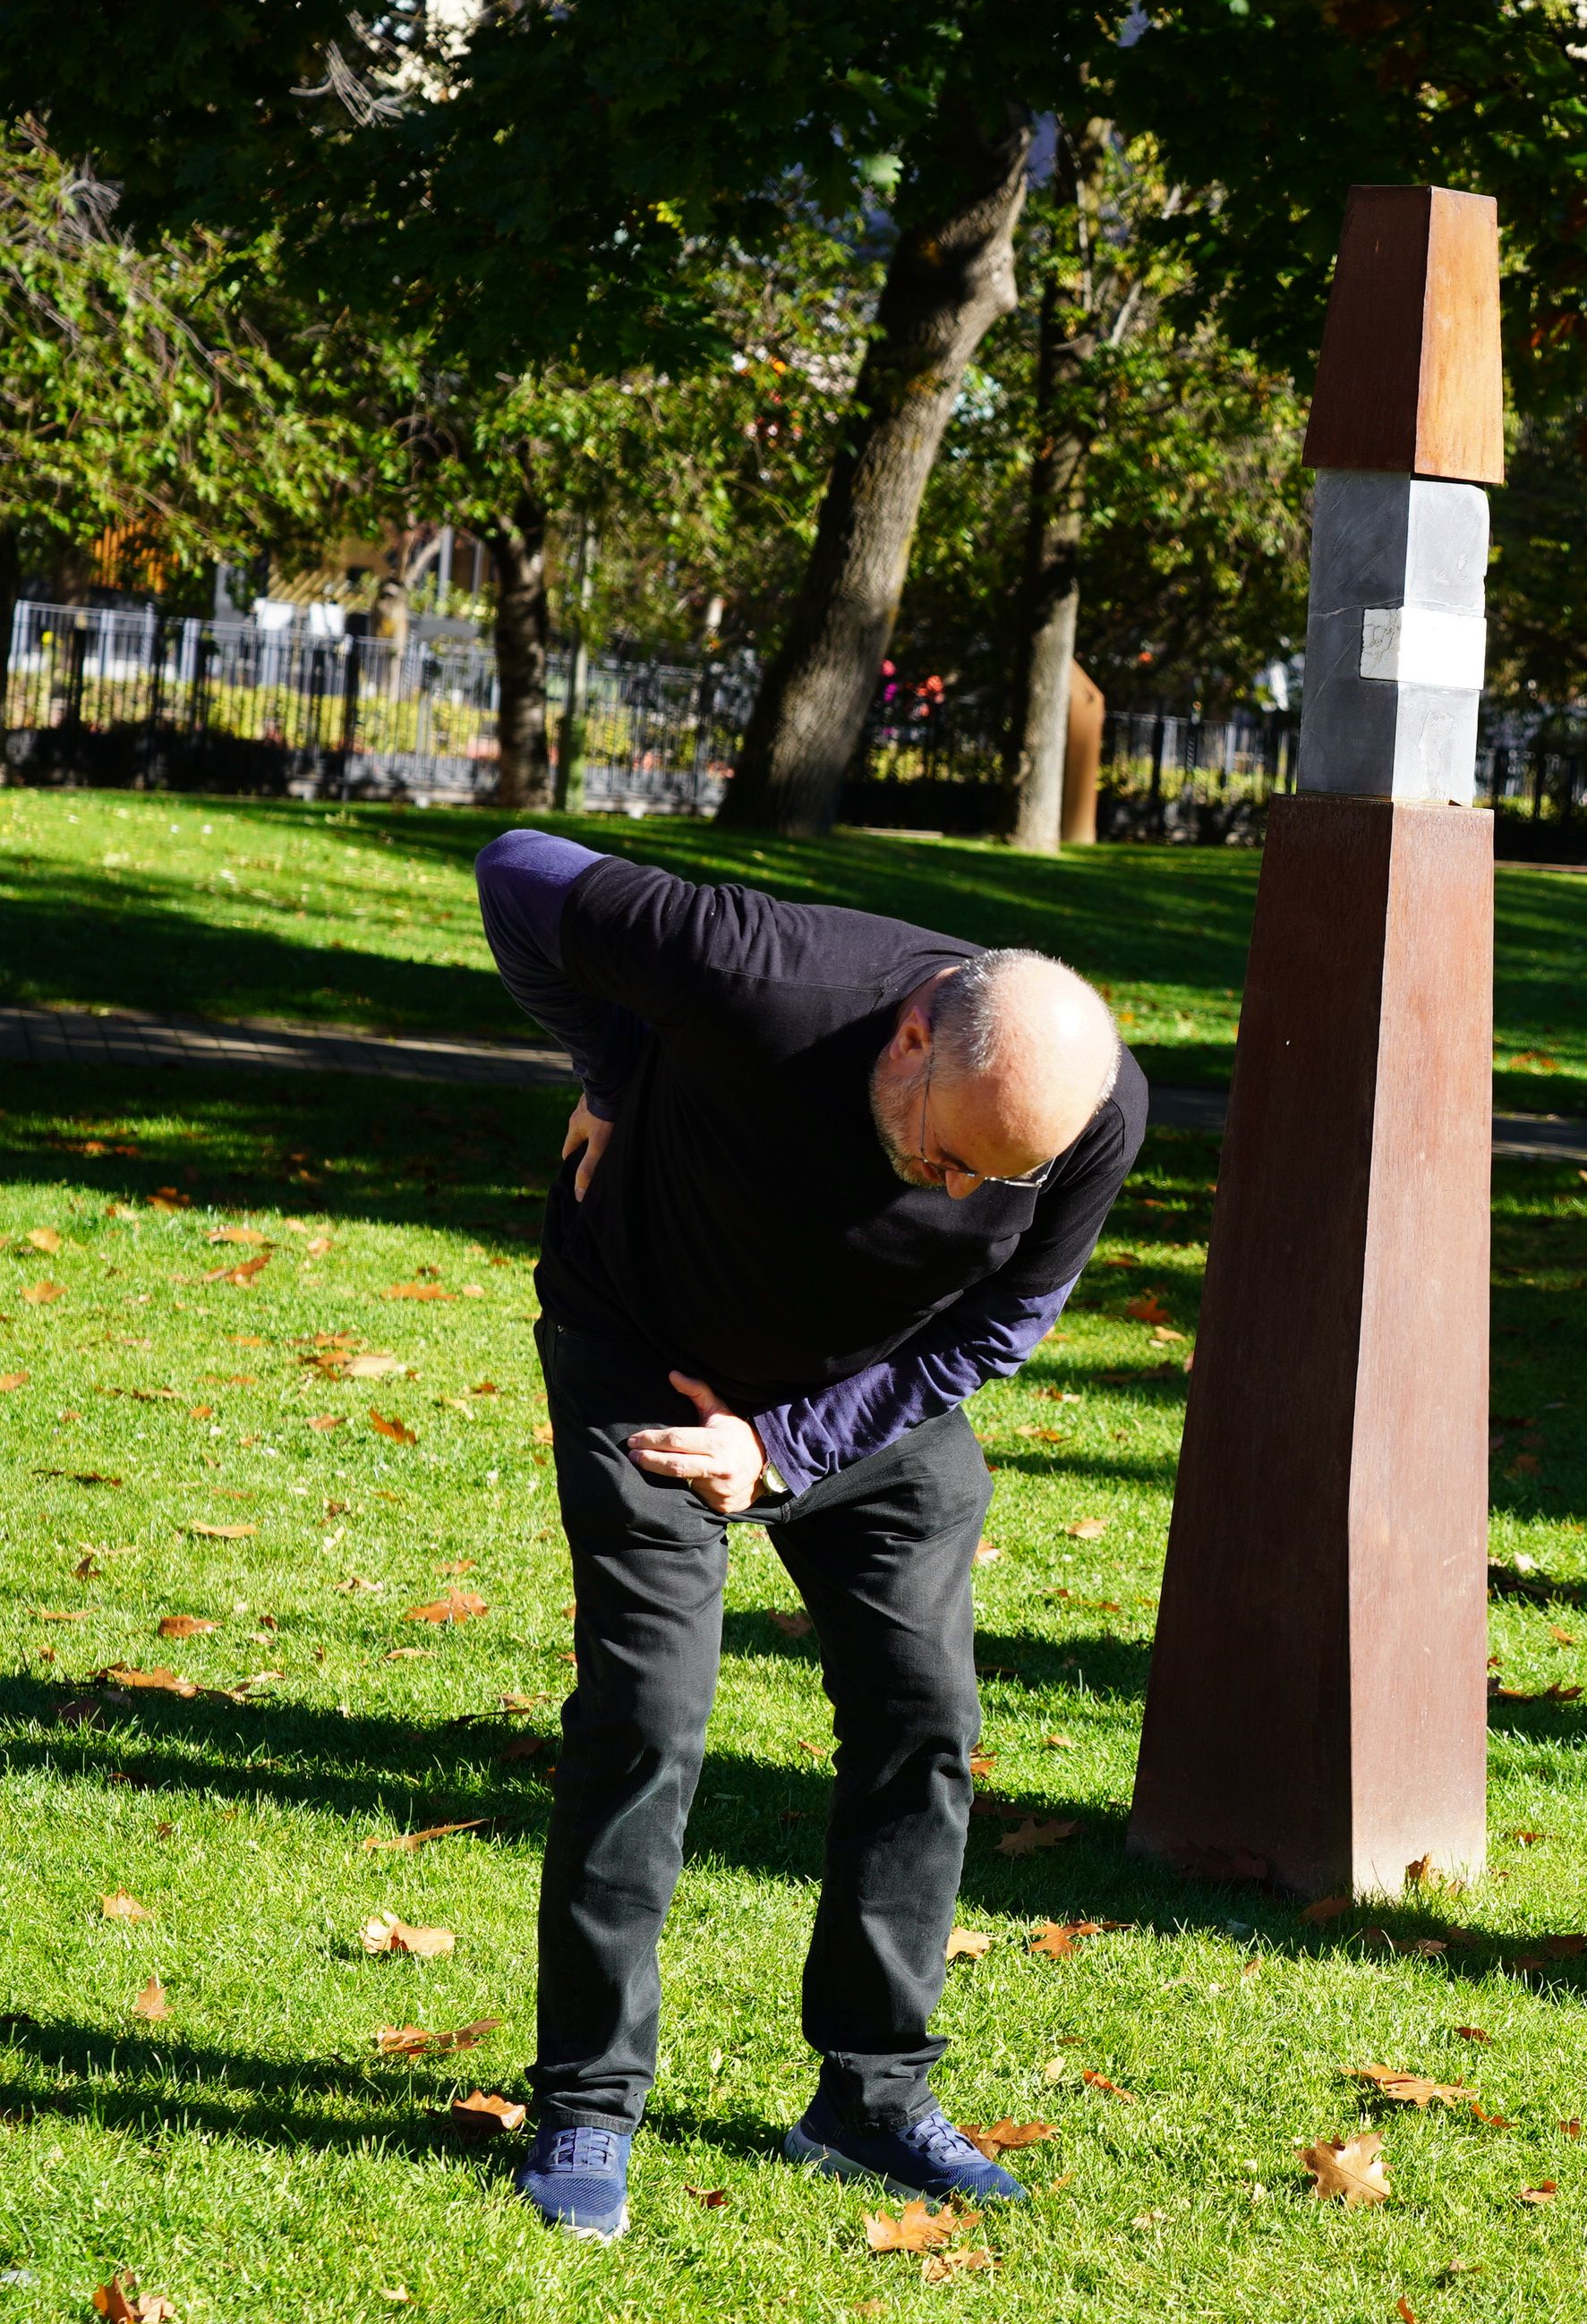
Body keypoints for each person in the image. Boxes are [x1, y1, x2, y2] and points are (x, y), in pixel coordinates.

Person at [471, 828, 1150, 2241]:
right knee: (649, 1713)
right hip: (645, 1355)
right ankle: (588, 2108)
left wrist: (785, 1447)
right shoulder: (756, 971)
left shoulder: (1089, 1117)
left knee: (925, 1711)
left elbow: (1002, 1322)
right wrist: (609, 1071)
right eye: (946, 1155)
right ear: (909, 1038)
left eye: (992, 1182)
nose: (958, 1193)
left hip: (861, 1398)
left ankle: (871, 2094)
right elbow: (517, 871)